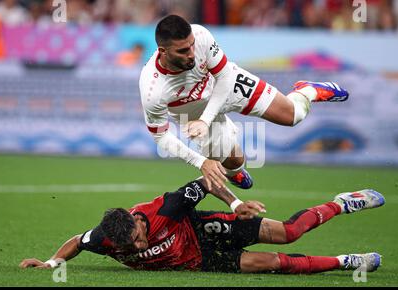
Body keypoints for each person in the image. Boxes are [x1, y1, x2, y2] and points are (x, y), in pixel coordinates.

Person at [139, 15, 349, 192]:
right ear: (163, 51)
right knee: (234, 162)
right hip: (190, 110)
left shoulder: (201, 35)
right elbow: (160, 135)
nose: (192, 53)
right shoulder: (152, 88)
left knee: (292, 116)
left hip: (224, 85)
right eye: (183, 51)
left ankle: (309, 90)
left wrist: (206, 120)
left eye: (192, 45)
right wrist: (200, 161)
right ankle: (235, 172)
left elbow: (225, 76)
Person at [20, 178, 384, 274]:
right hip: (198, 261)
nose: (139, 245)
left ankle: (341, 203)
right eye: (130, 246)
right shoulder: (106, 237)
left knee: (288, 233)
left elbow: (206, 181)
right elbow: (76, 241)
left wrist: (236, 203)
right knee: (269, 264)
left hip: (202, 229)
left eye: (138, 236)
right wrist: (51, 263)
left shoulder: (168, 206)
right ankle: (348, 262)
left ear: (137, 220)